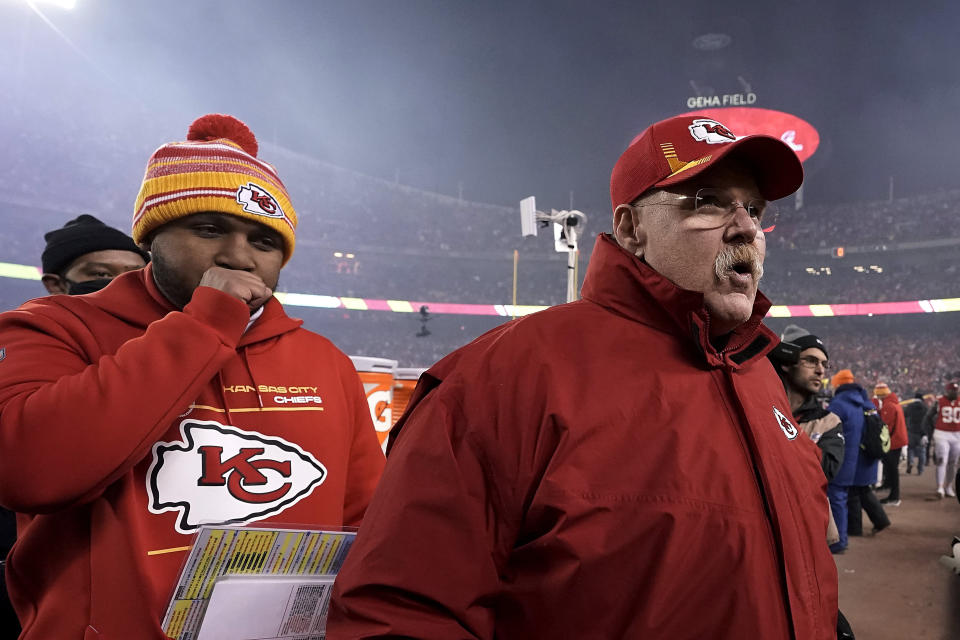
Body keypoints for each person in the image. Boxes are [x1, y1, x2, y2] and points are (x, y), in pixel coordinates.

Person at [330, 114, 839, 638]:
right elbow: (400, 611)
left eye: (754, 209)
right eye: (706, 201)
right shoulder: (504, 376)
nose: (746, 228)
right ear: (631, 228)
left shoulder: (758, 376)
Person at [0, 114, 385, 639]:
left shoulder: (325, 362)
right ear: (152, 237)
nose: (237, 256)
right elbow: (28, 471)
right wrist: (205, 325)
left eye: (264, 242)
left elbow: (365, 526)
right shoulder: (55, 327)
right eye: (208, 230)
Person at [768, 325, 843, 545]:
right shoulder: (757, 408)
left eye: (824, 364)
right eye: (811, 361)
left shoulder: (829, 421)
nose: (821, 370)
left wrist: (783, 431)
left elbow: (826, 471)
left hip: (807, 534)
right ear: (785, 362)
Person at [828, 369, 890, 552]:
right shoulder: (866, 402)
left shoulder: (839, 404)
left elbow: (830, 433)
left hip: (848, 460)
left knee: (841, 496)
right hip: (865, 459)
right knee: (857, 493)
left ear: (837, 385)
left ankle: (841, 539)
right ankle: (853, 530)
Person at [40, 214, 150, 295]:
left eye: (135, 275)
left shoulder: (160, 324)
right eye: (102, 274)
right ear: (55, 284)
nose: (122, 283)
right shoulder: (32, 325)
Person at [873, 382, 907, 505]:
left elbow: (886, 427)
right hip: (898, 439)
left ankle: (894, 497)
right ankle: (888, 486)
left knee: (892, 469)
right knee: (890, 467)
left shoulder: (889, 406)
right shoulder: (894, 403)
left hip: (894, 441)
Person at [929, 381, 960, 499]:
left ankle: (948, 486)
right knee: (942, 460)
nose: (955, 393)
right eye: (953, 391)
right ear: (947, 391)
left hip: (957, 434)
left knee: (953, 462)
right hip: (942, 433)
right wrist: (929, 432)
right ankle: (940, 487)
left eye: (956, 391)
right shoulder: (939, 401)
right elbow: (929, 417)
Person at [902, 393, 930, 475]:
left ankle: (911, 461)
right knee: (922, 451)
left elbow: (904, 416)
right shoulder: (925, 408)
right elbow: (928, 420)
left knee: (910, 449)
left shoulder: (909, 406)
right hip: (922, 432)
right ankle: (920, 470)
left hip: (911, 431)